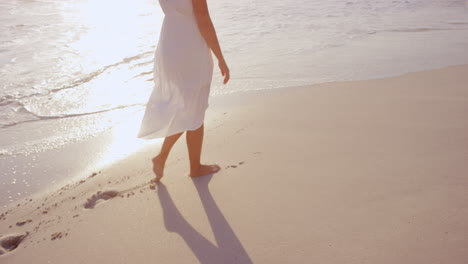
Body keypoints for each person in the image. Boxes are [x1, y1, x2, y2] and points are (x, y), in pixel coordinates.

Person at [137, 0, 230, 183]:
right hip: (190, 47)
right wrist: (220, 57)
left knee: (186, 108)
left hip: (170, 46)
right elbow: (203, 18)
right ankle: (194, 167)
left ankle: (162, 157)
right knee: (195, 109)